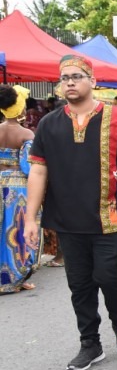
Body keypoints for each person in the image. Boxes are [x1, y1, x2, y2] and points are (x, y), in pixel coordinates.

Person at [23, 55, 117, 370]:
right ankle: (90, 345)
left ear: (92, 81)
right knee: (79, 287)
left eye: (77, 76)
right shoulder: (48, 124)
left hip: (110, 219)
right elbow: (38, 171)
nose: (69, 81)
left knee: (111, 279)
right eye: (64, 77)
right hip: (68, 222)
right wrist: (29, 218)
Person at [0, 85, 39, 294]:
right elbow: (28, 167)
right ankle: (16, 278)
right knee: (17, 231)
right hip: (17, 187)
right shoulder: (26, 134)